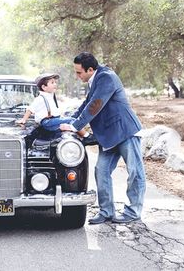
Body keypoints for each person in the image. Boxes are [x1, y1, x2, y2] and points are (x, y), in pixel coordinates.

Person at [59, 52, 146, 224]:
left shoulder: (107, 77)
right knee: (102, 171)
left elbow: (95, 104)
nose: (77, 76)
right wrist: (68, 121)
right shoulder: (95, 80)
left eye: (79, 73)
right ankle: (106, 212)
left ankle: (133, 211)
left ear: (90, 69)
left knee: (135, 172)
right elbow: (86, 104)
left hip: (125, 131)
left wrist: (75, 126)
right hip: (108, 136)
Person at [16, 73, 88, 138]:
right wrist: (24, 119)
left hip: (52, 121)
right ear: (44, 87)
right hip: (48, 122)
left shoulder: (50, 96)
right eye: (52, 83)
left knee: (70, 122)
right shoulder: (40, 99)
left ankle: (78, 134)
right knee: (72, 120)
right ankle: (86, 136)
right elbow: (30, 109)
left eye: (55, 82)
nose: (55, 84)